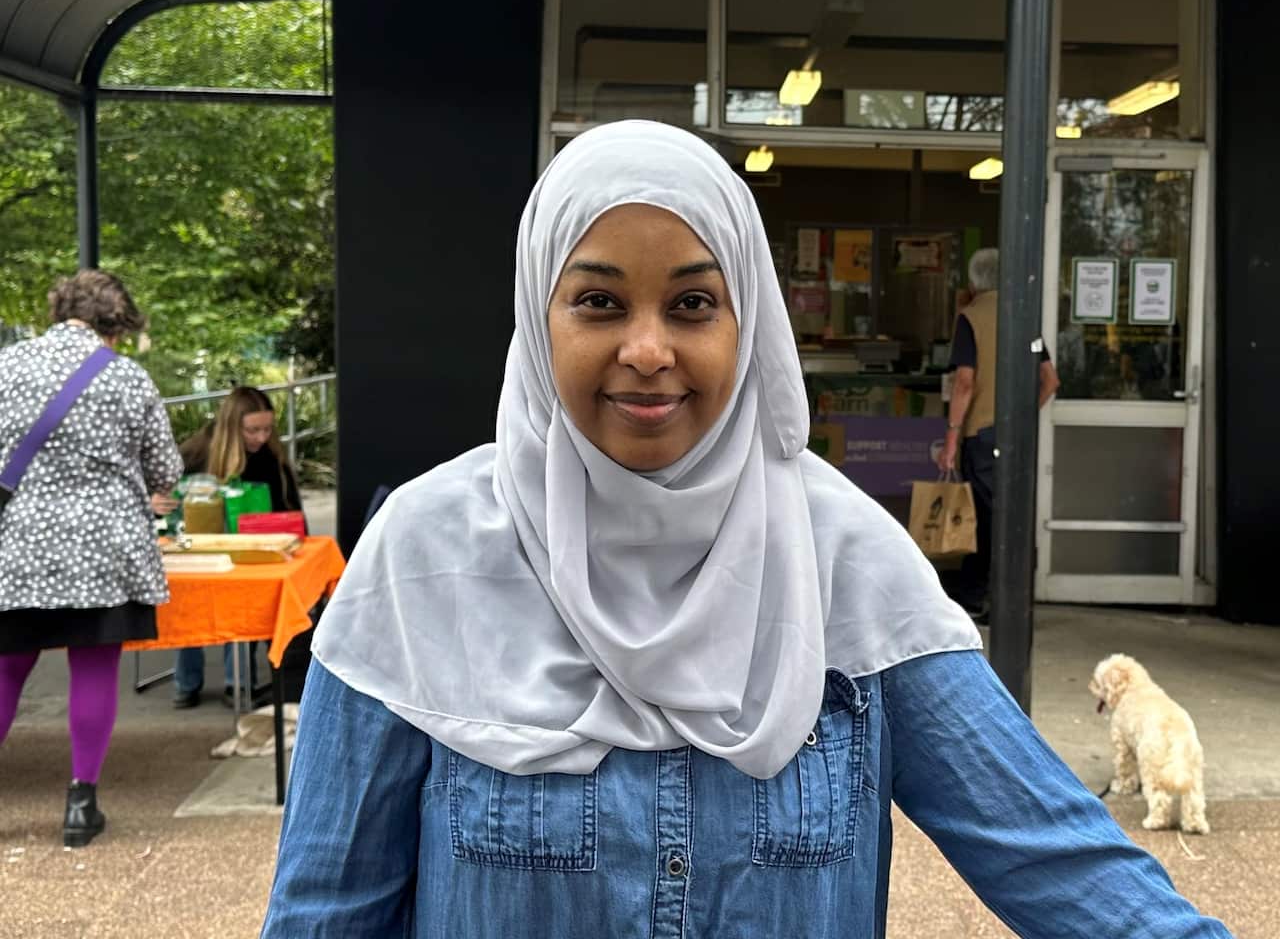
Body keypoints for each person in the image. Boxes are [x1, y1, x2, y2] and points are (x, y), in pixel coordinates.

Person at [261, 122, 1230, 938]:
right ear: (537, 317)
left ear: (747, 324)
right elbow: (325, 913)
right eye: (598, 301)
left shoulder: (840, 560)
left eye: (691, 303)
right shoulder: (424, 559)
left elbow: (1058, 865)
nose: (647, 350)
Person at [0, 269, 182, 848]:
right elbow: (166, 472)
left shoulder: (6, 366)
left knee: (6, 668)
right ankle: (81, 805)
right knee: (94, 667)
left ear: (59, 310)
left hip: (18, 545)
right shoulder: (127, 377)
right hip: (106, 550)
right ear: (117, 324)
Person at [938, 247, 1060, 620]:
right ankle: (991, 596)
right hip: (1014, 436)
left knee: (987, 519)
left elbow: (964, 381)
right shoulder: (1024, 315)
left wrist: (951, 438)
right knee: (1005, 516)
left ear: (974, 282)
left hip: (982, 433)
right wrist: (1022, 418)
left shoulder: (971, 317)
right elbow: (1050, 380)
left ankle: (984, 600)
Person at [170, 386, 304, 709]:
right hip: (202, 548)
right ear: (233, 427)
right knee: (194, 604)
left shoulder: (272, 456)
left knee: (245, 601)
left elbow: (290, 509)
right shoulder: (196, 452)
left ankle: (237, 684)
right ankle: (187, 684)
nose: (261, 437)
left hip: (253, 551)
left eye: (267, 429)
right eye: (253, 430)